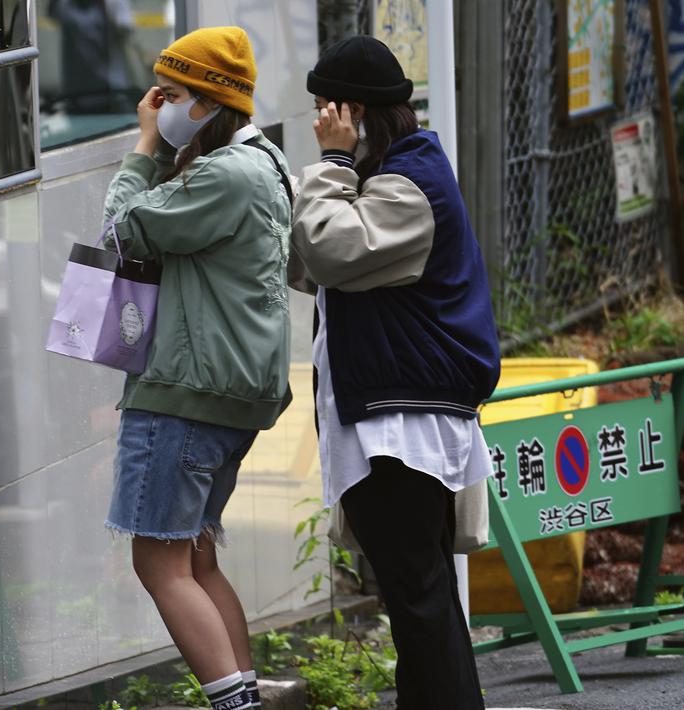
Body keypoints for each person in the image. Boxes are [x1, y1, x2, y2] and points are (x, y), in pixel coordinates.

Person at [290, 35, 501, 710]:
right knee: (421, 602)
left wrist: (327, 162)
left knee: (418, 601)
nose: (321, 124)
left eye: (326, 111)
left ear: (352, 115)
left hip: (401, 431)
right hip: (394, 423)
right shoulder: (392, 177)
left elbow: (325, 251)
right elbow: (308, 264)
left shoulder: (408, 187)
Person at [101, 27, 293, 710]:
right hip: (226, 393)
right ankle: (246, 693)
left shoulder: (219, 175)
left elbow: (118, 230)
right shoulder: (263, 162)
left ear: (211, 104)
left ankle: (233, 705)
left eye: (173, 95)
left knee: (158, 560)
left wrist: (144, 148)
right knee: (196, 556)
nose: (159, 106)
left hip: (185, 391)